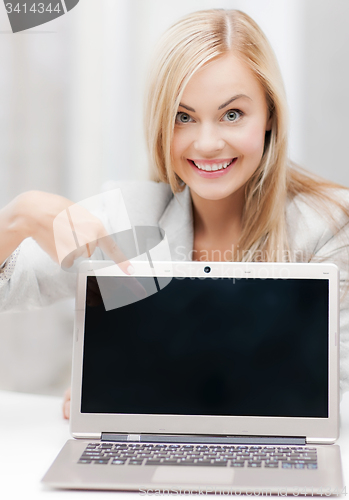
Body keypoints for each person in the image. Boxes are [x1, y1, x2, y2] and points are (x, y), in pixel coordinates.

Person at [1, 9, 349, 420]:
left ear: (271, 114)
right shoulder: (130, 219)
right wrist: (16, 220)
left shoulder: (327, 226)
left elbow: (331, 390)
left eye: (232, 115)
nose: (207, 143)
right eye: (184, 117)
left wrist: (131, 388)